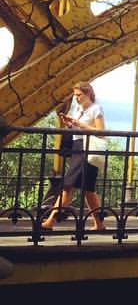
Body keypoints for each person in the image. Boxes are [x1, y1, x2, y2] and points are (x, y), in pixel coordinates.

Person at [41, 81, 107, 231]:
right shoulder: (78, 110)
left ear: (88, 94)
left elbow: (101, 132)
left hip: (87, 149)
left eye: (79, 95)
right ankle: (99, 224)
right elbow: (79, 128)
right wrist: (71, 124)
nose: (76, 98)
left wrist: (79, 124)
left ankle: (50, 221)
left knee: (68, 186)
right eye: (75, 95)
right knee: (88, 190)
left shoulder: (96, 109)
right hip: (78, 148)